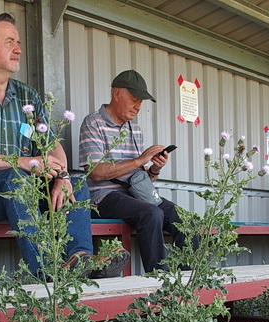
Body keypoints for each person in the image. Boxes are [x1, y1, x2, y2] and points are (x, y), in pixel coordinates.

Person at [0, 12, 128, 279]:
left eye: (18, 42)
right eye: (9, 42)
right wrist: (29, 163)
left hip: (21, 185)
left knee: (75, 182)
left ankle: (81, 258)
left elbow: (53, 147)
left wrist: (61, 175)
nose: (18, 49)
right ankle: (45, 272)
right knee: (16, 180)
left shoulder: (27, 96)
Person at [78, 70, 197, 273]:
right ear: (117, 94)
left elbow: (138, 177)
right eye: (134, 100)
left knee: (189, 223)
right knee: (152, 214)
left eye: (141, 102)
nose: (138, 107)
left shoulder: (135, 129)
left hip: (135, 195)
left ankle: (187, 285)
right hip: (103, 197)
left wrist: (154, 169)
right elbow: (96, 173)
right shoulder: (93, 123)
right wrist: (139, 160)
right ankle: (161, 282)